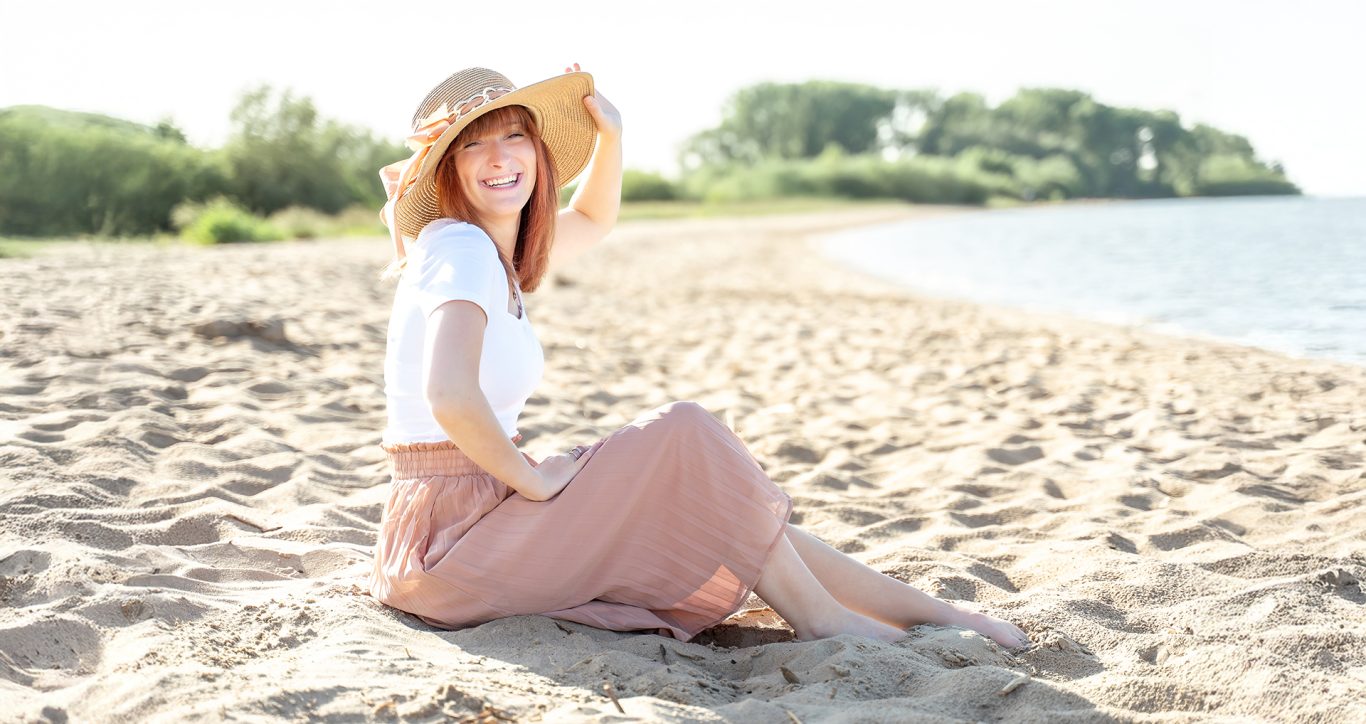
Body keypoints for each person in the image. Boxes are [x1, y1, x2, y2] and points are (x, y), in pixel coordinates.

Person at [367, 65, 1031, 650]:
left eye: (513, 135)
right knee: (687, 434)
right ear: (449, 168)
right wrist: (534, 478)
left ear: (538, 151)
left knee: (717, 490)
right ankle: (827, 620)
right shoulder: (460, 248)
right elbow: (449, 394)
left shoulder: (500, 255)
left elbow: (594, 221)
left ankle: (936, 615)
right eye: (473, 143)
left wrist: (613, 137)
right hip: (449, 544)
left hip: (471, 514)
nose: (498, 156)